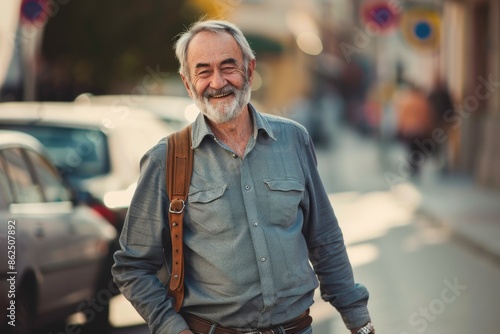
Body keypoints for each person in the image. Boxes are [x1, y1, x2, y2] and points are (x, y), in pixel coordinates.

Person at [112, 19, 375, 334]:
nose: (218, 81)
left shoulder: (293, 139)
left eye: (228, 67)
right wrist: (171, 328)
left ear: (250, 70)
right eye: (203, 71)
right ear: (187, 83)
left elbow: (324, 239)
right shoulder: (165, 159)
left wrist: (359, 322)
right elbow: (132, 267)